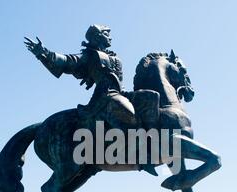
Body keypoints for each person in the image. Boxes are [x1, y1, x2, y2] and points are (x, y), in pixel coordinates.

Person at [25, 25, 160, 175]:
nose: (110, 37)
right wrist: (43, 52)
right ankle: (142, 156)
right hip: (106, 97)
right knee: (126, 111)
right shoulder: (89, 55)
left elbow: (119, 84)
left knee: (152, 96)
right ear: (97, 36)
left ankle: (155, 140)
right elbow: (68, 61)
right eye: (106, 34)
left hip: (119, 93)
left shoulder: (114, 57)